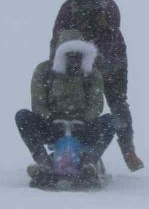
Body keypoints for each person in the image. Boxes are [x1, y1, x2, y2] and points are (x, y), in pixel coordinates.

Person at [50, 0, 144, 171]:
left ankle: (128, 150)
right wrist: (57, 66)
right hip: (74, 57)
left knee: (118, 102)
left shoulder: (109, 9)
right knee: (76, 100)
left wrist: (97, 70)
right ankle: (70, 146)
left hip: (112, 59)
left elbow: (109, 45)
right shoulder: (67, 9)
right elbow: (56, 41)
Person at [15, 30, 116, 186]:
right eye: (69, 53)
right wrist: (50, 118)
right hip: (51, 126)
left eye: (78, 53)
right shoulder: (44, 71)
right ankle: (44, 163)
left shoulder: (92, 74)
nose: (74, 57)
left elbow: (97, 104)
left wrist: (84, 119)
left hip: (83, 127)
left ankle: (89, 163)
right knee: (23, 116)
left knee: (111, 120)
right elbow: (38, 101)